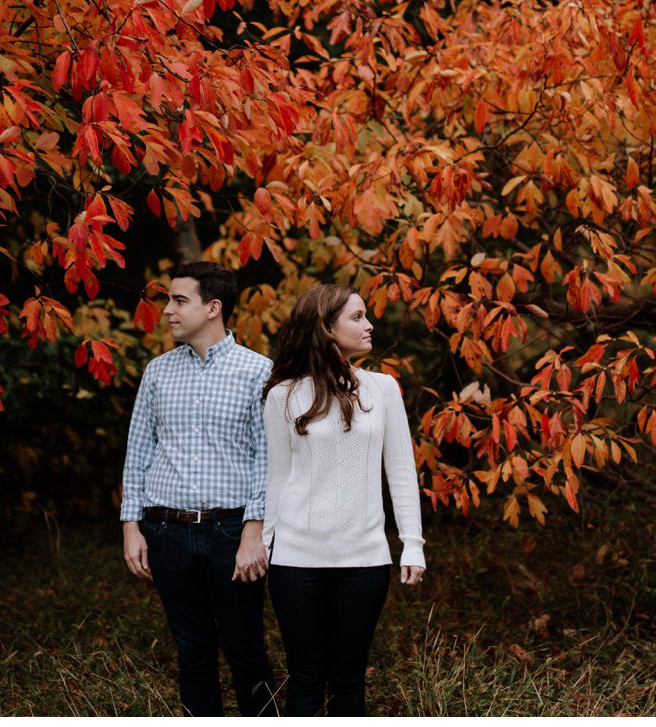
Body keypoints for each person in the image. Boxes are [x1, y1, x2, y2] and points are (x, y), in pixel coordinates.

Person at [261, 283, 426, 716]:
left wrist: (412, 543)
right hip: (295, 562)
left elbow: (402, 473)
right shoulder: (283, 395)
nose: (369, 325)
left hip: (364, 562)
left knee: (350, 680)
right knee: (305, 679)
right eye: (357, 317)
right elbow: (276, 477)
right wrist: (263, 546)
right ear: (326, 328)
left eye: (366, 315)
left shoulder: (384, 389)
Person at [120, 262, 276, 717]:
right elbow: (139, 451)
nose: (167, 310)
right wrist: (132, 526)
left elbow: (266, 460)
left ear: (213, 308)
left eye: (178, 300)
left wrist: (254, 531)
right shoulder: (158, 372)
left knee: (246, 652)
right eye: (168, 299)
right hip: (165, 531)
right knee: (192, 652)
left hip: (231, 534)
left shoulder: (258, 372)